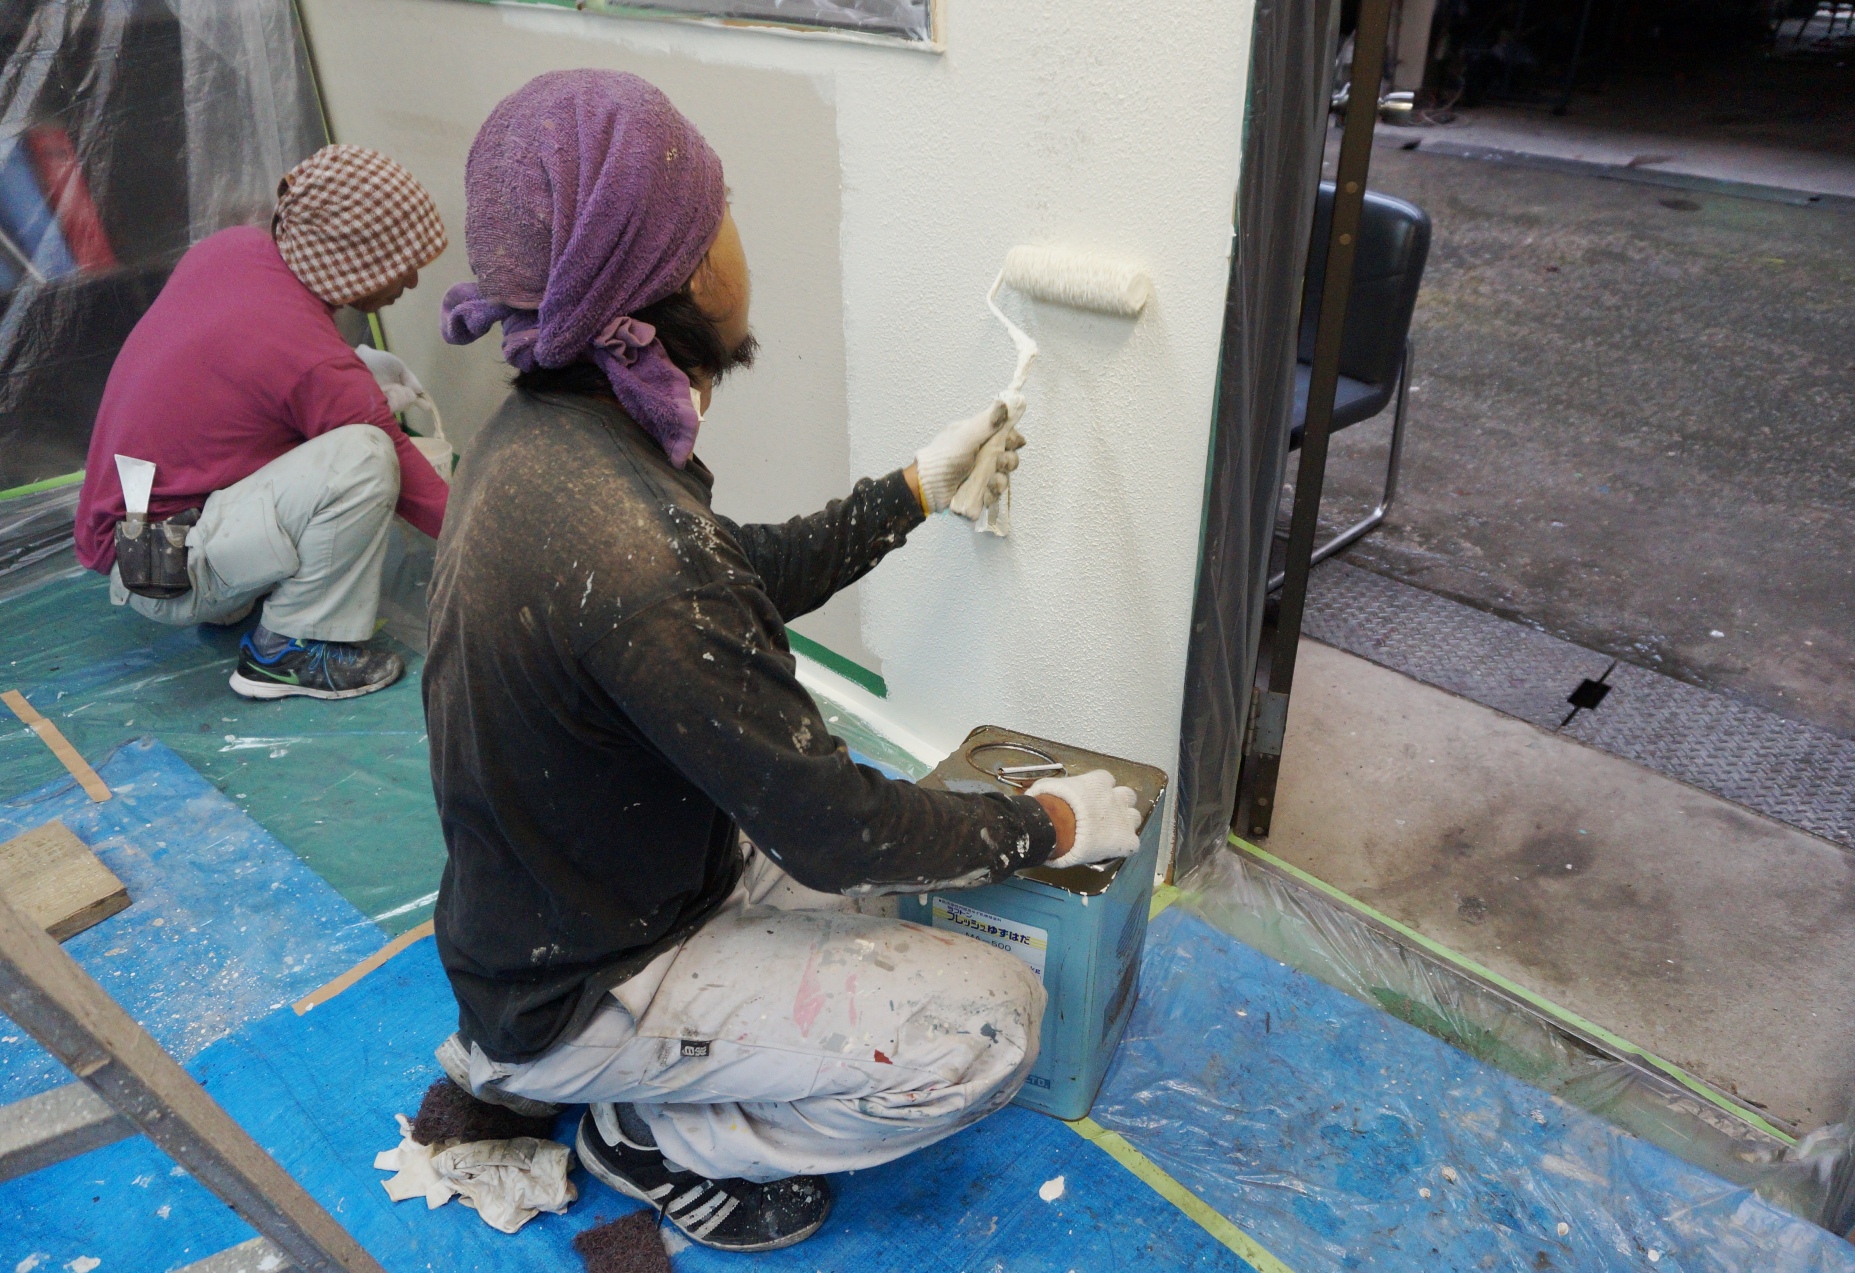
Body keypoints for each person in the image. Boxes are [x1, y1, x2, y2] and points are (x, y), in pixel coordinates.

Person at [424, 70, 1146, 1253]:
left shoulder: (544, 440)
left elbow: (723, 579)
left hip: (569, 905)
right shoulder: (633, 542)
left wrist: (909, 491)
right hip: (589, 979)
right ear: (684, 276)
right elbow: (837, 828)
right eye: (722, 215)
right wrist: (1046, 827)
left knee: (880, 851)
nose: (738, 243)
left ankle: (626, 1070)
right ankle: (653, 1135)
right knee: (988, 1023)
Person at [74, 144, 450, 701]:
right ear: (355, 259)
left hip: (127, 535)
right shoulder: (311, 361)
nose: (412, 282)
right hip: (157, 569)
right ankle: (292, 652)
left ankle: (230, 585)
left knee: (344, 427)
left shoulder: (232, 251)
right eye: (401, 263)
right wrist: (497, 543)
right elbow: (413, 485)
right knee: (368, 456)